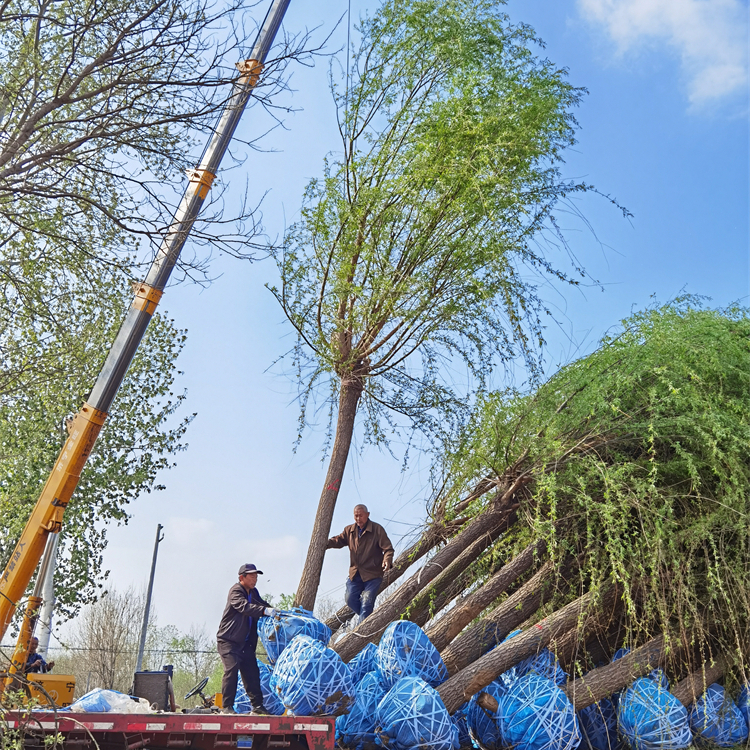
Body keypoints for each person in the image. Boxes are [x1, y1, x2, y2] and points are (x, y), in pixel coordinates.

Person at [216, 563, 277, 714]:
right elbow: (245, 607)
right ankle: (227, 707)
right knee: (231, 669)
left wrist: (276, 612)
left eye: (256, 576)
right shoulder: (235, 591)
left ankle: (257, 706)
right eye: (251, 576)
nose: (255, 579)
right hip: (228, 641)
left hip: (245, 643)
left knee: (252, 673)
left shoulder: (253, 592)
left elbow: (261, 604)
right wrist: (264, 611)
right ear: (241, 577)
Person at [326, 505, 394, 621]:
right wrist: (324, 544)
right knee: (350, 599)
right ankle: (369, 621)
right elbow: (338, 540)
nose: (358, 519)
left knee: (366, 603)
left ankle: (361, 633)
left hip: (373, 575)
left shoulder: (377, 530)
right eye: (356, 516)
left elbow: (388, 549)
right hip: (355, 574)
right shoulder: (349, 530)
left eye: (361, 515)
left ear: (367, 515)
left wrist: (387, 560)